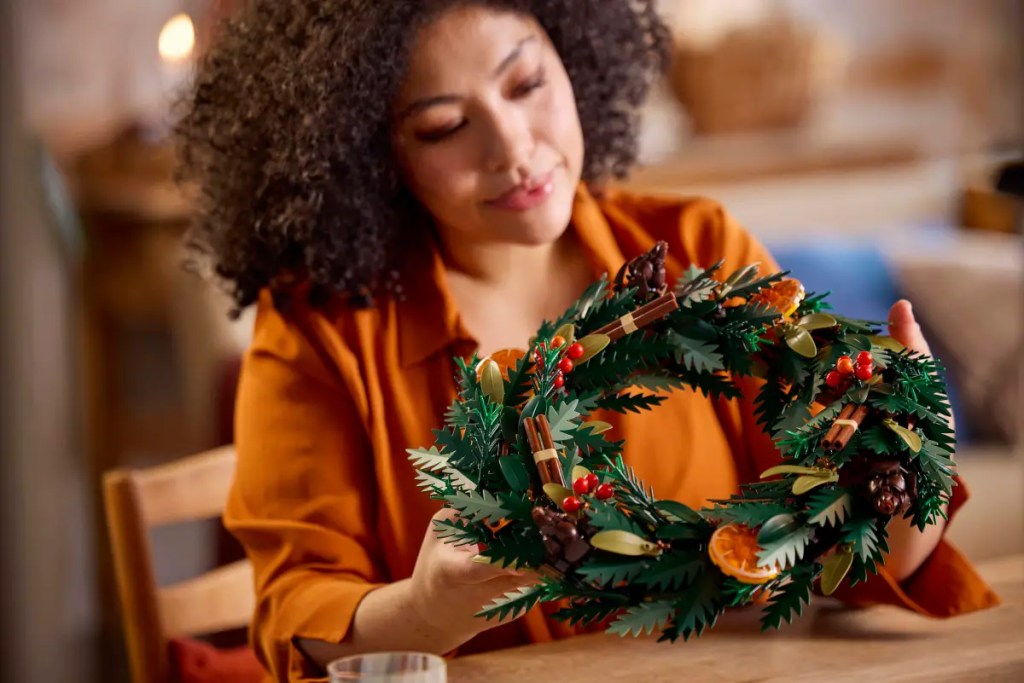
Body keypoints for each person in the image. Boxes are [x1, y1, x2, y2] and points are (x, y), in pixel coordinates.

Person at [176, 1, 1000, 680]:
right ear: (366, 155)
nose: (513, 147)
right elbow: (295, 613)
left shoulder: (698, 248)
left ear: (576, 54)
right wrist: (428, 606)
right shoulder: (321, 330)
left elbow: (861, 554)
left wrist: (908, 460)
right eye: (443, 127)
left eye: (527, 83)